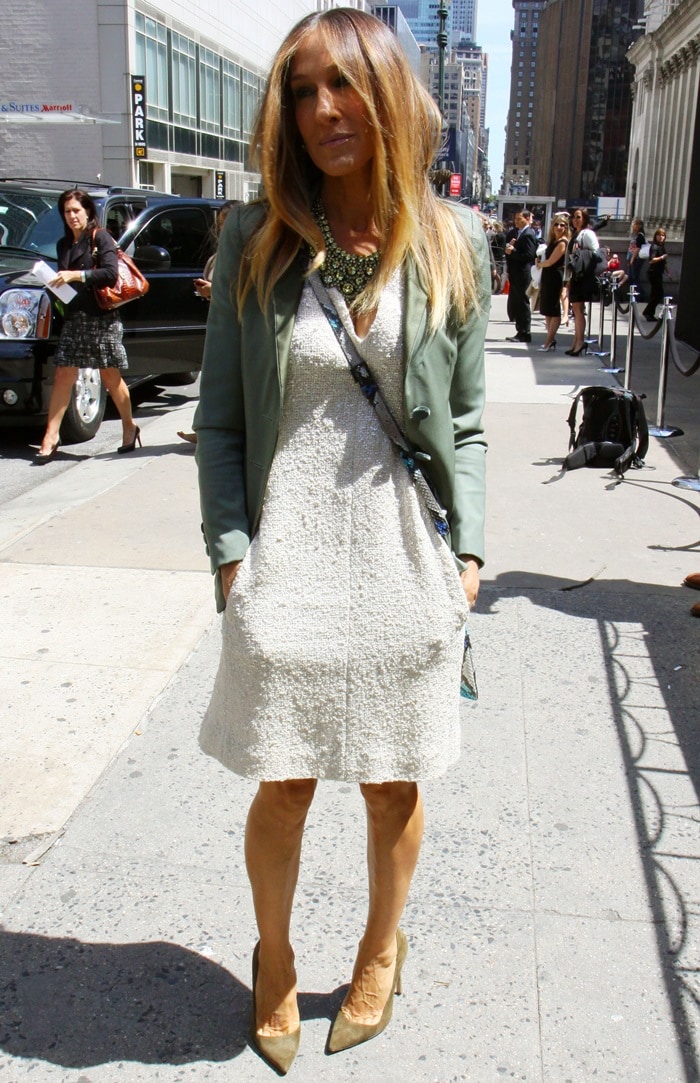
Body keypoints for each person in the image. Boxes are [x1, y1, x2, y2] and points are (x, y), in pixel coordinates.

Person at [193, 8, 490, 1074]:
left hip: (409, 559)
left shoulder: (452, 242)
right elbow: (220, 419)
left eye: (344, 85)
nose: (322, 108)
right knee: (282, 780)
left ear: (389, 98)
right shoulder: (256, 237)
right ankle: (274, 958)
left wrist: (469, 556)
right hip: (290, 560)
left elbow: (464, 421)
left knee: (393, 781)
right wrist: (232, 556)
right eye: (302, 89)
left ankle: (378, 950)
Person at [35, 189, 140, 461]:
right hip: (75, 317)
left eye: (76, 211)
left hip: (101, 319)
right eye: (67, 212)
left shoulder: (100, 237)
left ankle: (129, 426)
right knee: (64, 374)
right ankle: (51, 435)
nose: (71, 216)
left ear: (88, 212)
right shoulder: (63, 244)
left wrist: (77, 275)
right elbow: (64, 279)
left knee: (110, 376)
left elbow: (110, 273)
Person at [177, 199, 240, 445]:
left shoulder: (250, 257)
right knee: (213, 383)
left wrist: (214, 291)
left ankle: (211, 431)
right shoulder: (216, 258)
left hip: (240, 330)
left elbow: (249, 294)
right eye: (221, 225)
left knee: (229, 386)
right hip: (217, 327)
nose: (224, 230)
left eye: (230, 224)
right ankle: (204, 429)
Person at [566, 207, 601, 356]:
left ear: (585, 219)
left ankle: (580, 342)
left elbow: (596, 253)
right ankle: (576, 341)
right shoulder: (576, 233)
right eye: (574, 217)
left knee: (578, 310)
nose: (575, 219)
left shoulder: (587, 234)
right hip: (575, 276)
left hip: (583, 276)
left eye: (578, 217)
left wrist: (579, 251)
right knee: (575, 310)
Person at [535, 215, 570, 351]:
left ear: (566, 227)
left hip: (555, 276)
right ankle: (550, 340)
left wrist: (540, 265)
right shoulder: (553, 241)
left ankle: (548, 342)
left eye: (562, 225)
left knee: (554, 310)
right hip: (548, 276)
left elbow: (551, 261)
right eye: (556, 225)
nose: (559, 227)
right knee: (547, 310)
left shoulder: (562, 242)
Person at [504, 208, 538, 343]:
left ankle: (525, 331)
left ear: (527, 218)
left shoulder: (528, 234)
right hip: (516, 273)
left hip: (523, 273)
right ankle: (520, 330)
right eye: (515, 219)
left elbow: (529, 255)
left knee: (523, 303)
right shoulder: (518, 233)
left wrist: (514, 251)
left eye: (520, 219)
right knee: (517, 302)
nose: (516, 222)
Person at [642, 228, 668, 321]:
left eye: (663, 235)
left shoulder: (661, 246)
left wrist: (668, 271)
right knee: (658, 294)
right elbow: (652, 260)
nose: (661, 237)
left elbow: (664, 262)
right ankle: (648, 312)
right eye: (659, 235)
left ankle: (649, 313)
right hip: (654, 273)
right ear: (655, 236)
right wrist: (662, 257)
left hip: (658, 272)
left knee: (655, 294)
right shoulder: (655, 246)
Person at [627, 217, 646, 295]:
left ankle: (638, 295)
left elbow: (638, 248)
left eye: (634, 224)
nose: (633, 226)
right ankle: (634, 293)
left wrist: (632, 258)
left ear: (639, 226)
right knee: (631, 277)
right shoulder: (636, 235)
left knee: (635, 277)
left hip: (636, 259)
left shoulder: (640, 236)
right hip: (633, 259)